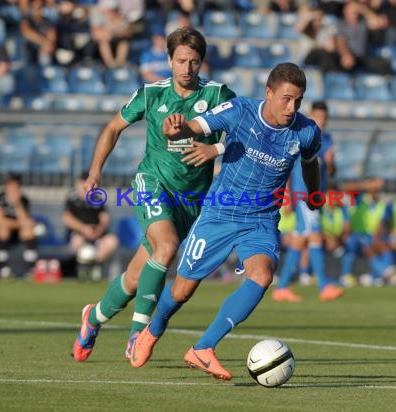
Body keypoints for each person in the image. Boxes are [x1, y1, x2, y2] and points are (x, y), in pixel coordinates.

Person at [129, 62, 322, 381]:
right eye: (286, 98)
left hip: (261, 220)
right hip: (220, 214)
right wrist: (176, 127)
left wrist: (314, 194)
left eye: (298, 100)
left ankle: (203, 348)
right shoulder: (240, 111)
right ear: (269, 93)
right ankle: (154, 329)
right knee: (180, 292)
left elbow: (311, 162)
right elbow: (192, 127)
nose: (292, 107)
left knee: (262, 276)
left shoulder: (306, 131)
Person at [73, 27, 236, 362]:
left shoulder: (219, 95)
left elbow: (245, 131)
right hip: (152, 182)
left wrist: (215, 149)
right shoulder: (151, 94)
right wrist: (94, 172)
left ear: (201, 62)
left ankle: (93, 318)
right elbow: (113, 127)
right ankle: (138, 337)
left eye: (193, 62)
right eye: (180, 61)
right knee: (166, 248)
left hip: (191, 198)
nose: (187, 69)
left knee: (136, 277)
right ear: (168, 60)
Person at [273, 101, 344, 302]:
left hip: (316, 196)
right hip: (303, 195)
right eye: (318, 117)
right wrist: (286, 194)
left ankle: (282, 286)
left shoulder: (327, 140)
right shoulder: (303, 135)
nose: (321, 121)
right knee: (315, 237)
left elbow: (330, 171)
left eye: (324, 118)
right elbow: (288, 166)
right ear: (312, 116)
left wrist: (330, 163)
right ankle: (324, 285)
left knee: (299, 240)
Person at [62, 172, 119, 281]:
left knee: (112, 241)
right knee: (77, 241)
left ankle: (94, 265)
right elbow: (67, 219)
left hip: (97, 234)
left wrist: (100, 229)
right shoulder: (72, 200)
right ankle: (81, 270)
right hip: (79, 234)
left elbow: (105, 218)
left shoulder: (97, 199)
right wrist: (83, 229)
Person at [0, 174, 38, 278]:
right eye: (10, 187)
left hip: (18, 231)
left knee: (29, 231)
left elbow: (26, 220)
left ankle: (31, 270)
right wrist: (20, 224)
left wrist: (17, 204)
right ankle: (2, 270)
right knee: (3, 230)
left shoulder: (23, 200)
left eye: (15, 187)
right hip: (3, 231)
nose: (12, 190)